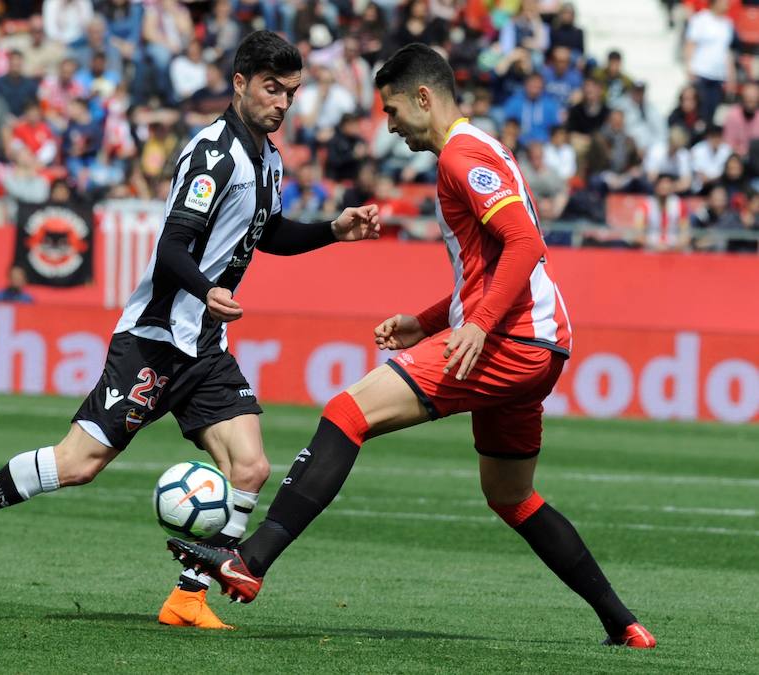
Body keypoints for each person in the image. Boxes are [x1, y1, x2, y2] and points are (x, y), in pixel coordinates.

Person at [166, 43, 657, 650]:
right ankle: (623, 623)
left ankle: (251, 560)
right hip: (540, 345)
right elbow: (494, 262)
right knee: (512, 496)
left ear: (424, 97)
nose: (390, 126)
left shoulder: (461, 156)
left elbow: (525, 244)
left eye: (394, 110)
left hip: (506, 339)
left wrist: (474, 329)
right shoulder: (486, 149)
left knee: (348, 413)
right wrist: (428, 321)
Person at [0, 30, 381, 632]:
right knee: (77, 464)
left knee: (251, 467)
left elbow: (269, 232)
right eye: (271, 89)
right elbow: (172, 243)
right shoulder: (212, 153)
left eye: (291, 92)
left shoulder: (268, 157)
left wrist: (333, 230)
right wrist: (205, 288)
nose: (282, 103)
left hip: (205, 344)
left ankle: (188, 597)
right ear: (239, 83)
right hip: (156, 335)